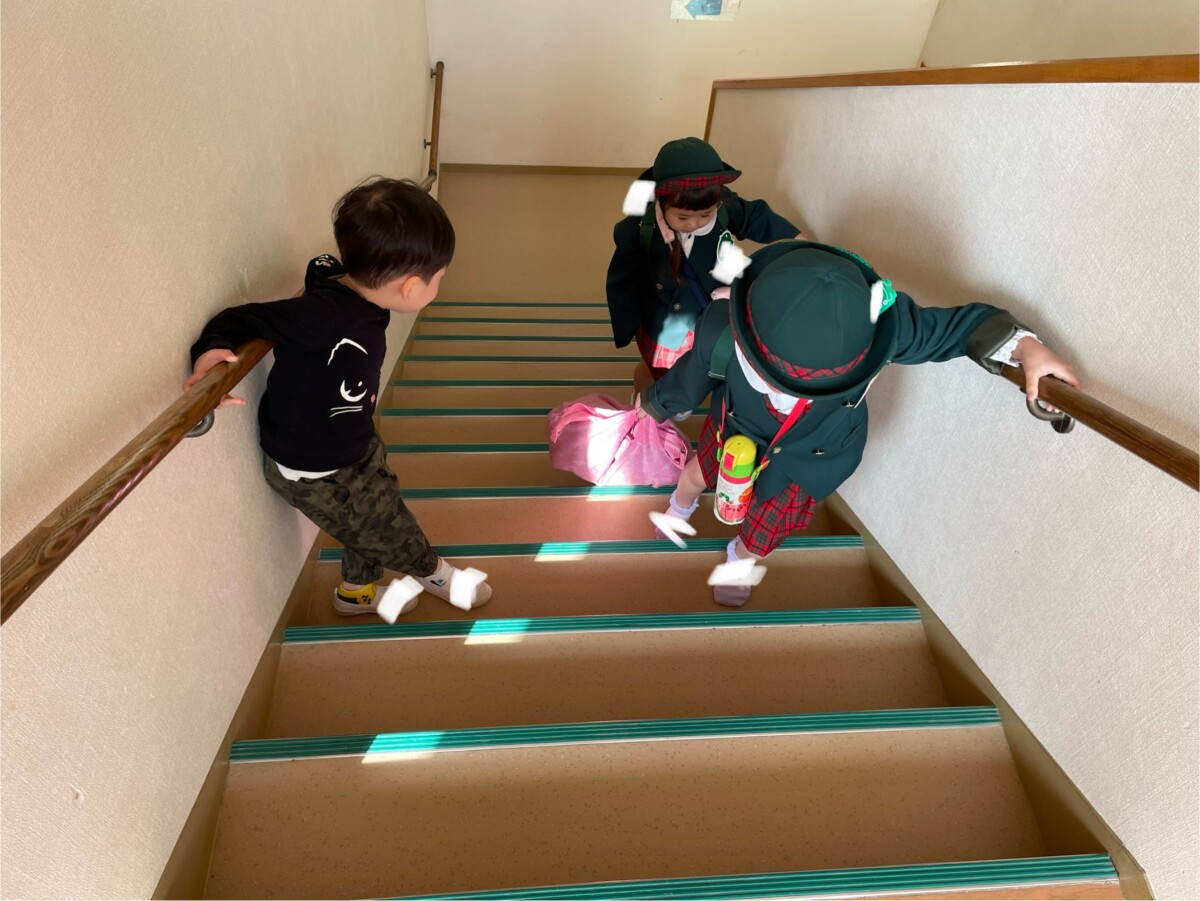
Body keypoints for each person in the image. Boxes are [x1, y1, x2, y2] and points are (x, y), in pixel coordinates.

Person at [638, 240, 1080, 607]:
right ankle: (681, 506)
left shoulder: (877, 327)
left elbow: (957, 330)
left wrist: (1025, 348)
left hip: (810, 459)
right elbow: (687, 381)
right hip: (735, 428)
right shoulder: (722, 329)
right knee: (699, 471)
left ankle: (740, 559)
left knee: (766, 529)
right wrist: (653, 406)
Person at [184, 177, 492, 618]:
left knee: (376, 507)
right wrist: (210, 353)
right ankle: (435, 573)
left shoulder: (344, 286)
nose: (438, 285)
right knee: (387, 527)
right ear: (410, 287)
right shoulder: (324, 316)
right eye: (438, 279)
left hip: (351, 440)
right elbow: (241, 318)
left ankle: (355, 594)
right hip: (316, 469)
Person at [605, 137, 803, 399]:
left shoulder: (724, 208)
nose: (694, 224)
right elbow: (623, 278)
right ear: (661, 202)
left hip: (709, 315)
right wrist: (626, 323)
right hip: (663, 324)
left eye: (705, 215)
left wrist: (795, 239)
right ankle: (645, 405)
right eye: (683, 217)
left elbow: (755, 216)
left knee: (702, 367)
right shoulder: (640, 229)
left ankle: (676, 400)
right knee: (657, 374)